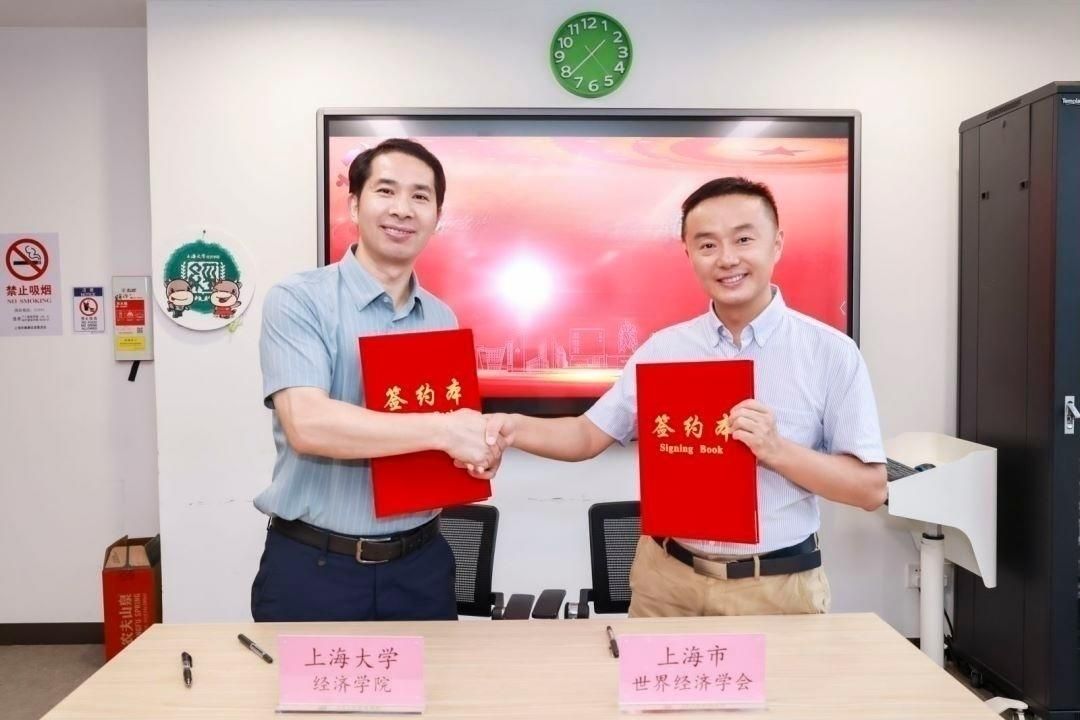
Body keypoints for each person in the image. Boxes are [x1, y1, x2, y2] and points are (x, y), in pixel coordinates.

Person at [482, 176, 886, 617]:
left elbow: (869, 489)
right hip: (666, 583)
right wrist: (511, 427)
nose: (727, 259)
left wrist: (776, 450)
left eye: (744, 239)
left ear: (776, 244)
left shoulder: (830, 353)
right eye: (707, 244)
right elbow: (587, 435)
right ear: (689, 254)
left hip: (775, 588)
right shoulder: (664, 350)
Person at [252, 138, 503, 622]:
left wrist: (475, 454)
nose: (402, 209)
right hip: (315, 566)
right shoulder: (299, 299)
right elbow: (308, 425)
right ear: (354, 205)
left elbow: (438, 443)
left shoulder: (441, 318)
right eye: (386, 191)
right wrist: (446, 429)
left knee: (432, 678)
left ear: (437, 216)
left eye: (420, 196)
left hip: (420, 566)